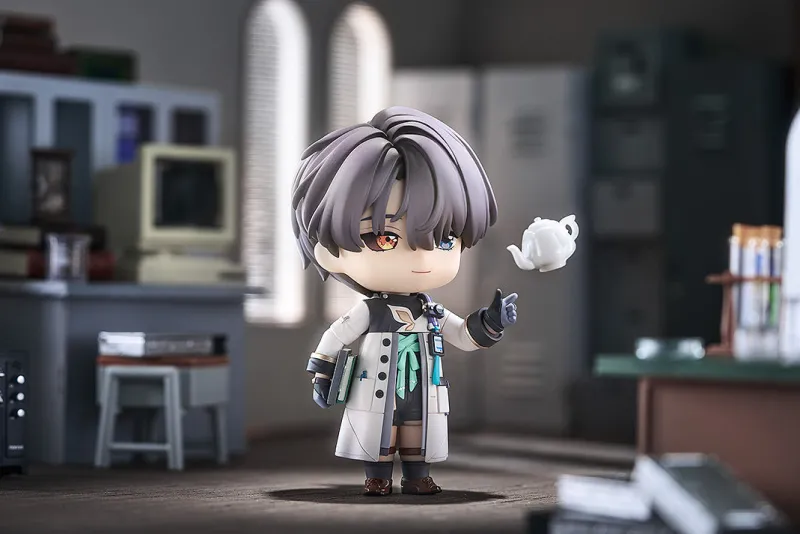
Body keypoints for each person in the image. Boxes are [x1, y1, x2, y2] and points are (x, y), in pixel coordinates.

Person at [292, 106, 518, 496]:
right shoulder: (370, 311)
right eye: (386, 237)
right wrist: (323, 373)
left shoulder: (430, 311)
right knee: (378, 432)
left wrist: (490, 321)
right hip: (375, 386)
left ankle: (417, 475)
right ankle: (377, 476)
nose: (422, 256)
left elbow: (463, 335)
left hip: (422, 389)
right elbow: (335, 336)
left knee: (418, 430)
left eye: (444, 238)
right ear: (329, 250)